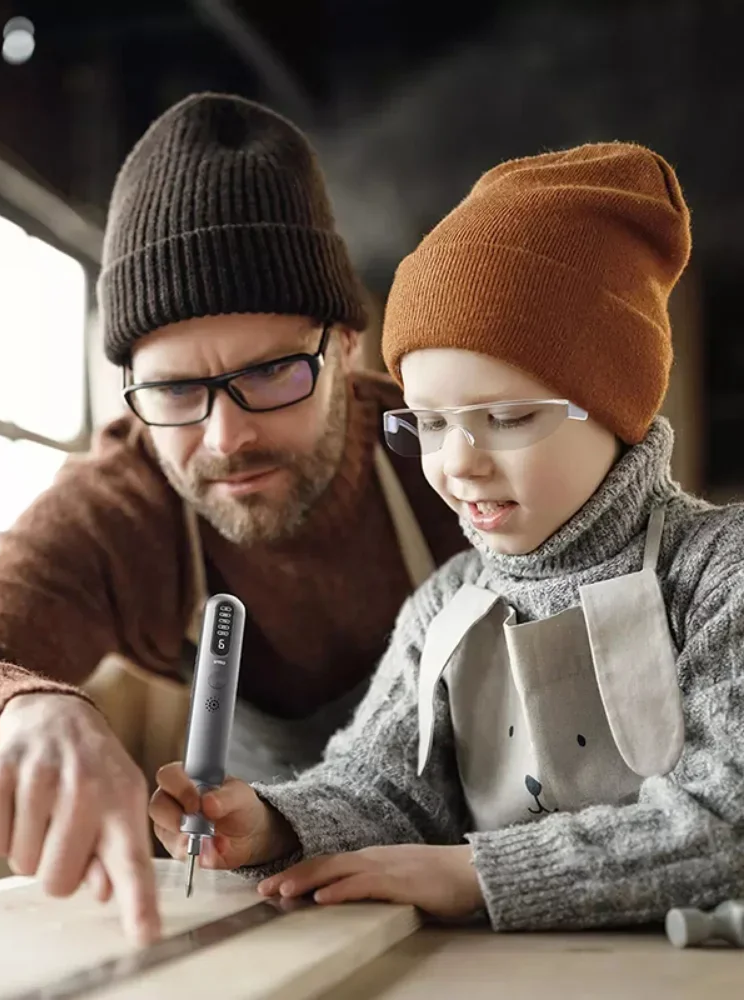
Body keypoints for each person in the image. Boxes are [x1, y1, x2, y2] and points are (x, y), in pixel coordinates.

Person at [0, 91, 466, 944]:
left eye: (272, 374)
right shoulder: (127, 506)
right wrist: (22, 714)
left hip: (480, 883)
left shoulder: (447, 458)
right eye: (176, 390)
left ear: (346, 350)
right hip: (280, 903)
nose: (226, 437)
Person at [150, 141, 744, 931]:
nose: (458, 463)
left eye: (504, 419)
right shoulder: (448, 603)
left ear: (618, 407)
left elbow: (727, 818)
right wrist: (267, 821)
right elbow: (384, 786)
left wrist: (478, 873)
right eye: (428, 423)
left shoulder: (717, 574)